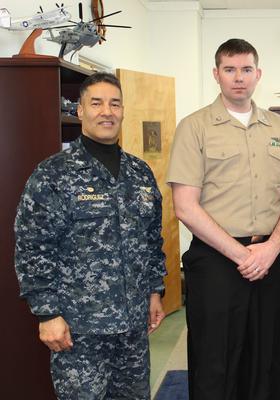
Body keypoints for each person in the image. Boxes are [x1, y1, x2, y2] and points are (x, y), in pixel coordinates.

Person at [166, 38, 280, 400]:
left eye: (246, 70)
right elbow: (185, 206)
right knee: (216, 363)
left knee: (264, 359)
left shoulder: (279, 128)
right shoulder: (194, 127)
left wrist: (272, 247)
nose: (238, 78)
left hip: (270, 258)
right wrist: (243, 256)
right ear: (217, 75)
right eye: (230, 70)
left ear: (258, 74)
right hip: (216, 261)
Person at [14, 72, 167, 399]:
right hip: (79, 331)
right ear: (80, 111)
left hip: (132, 330)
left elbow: (152, 239)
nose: (106, 111)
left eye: (114, 104)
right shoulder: (53, 174)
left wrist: (155, 292)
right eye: (96, 103)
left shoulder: (139, 173)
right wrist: (47, 313)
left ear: (123, 110)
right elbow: (32, 247)